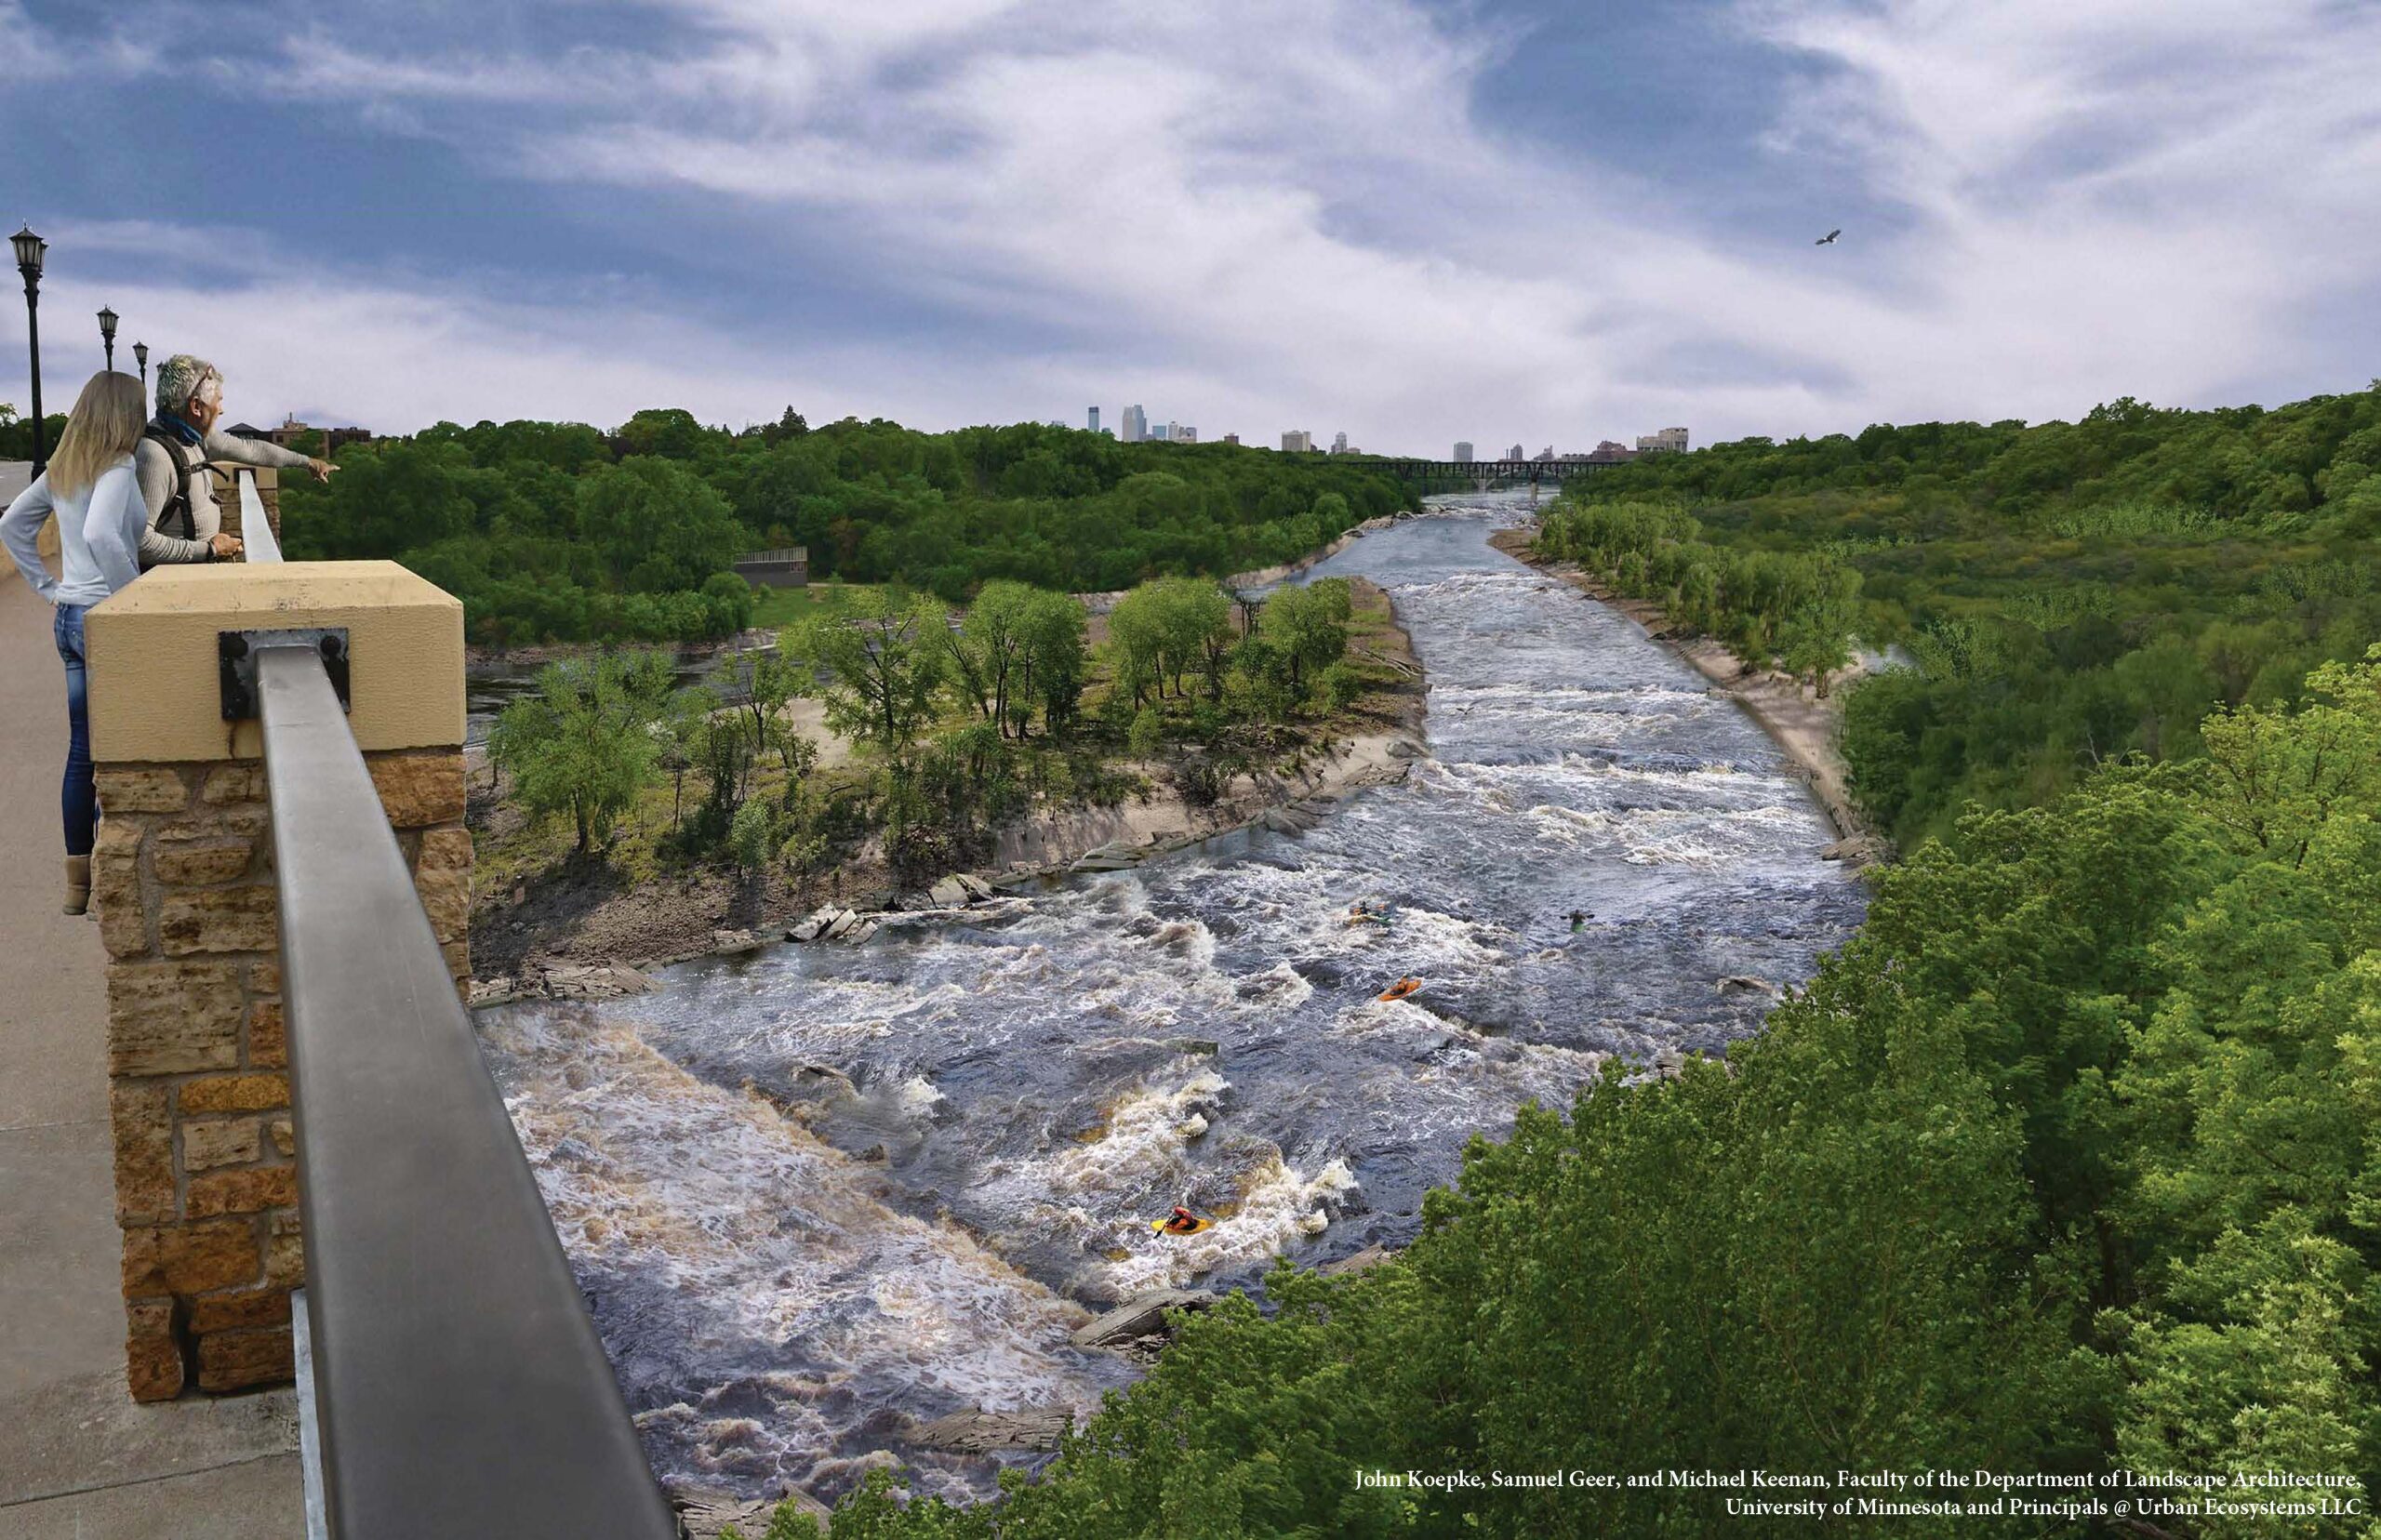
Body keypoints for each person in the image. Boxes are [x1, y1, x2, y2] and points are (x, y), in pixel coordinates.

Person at [1, 372, 155, 913]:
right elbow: (100, 535)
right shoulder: (117, 467)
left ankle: (77, 883)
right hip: (99, 619)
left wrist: (49, 587)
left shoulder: (64, 469)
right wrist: (133, 603)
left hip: (68, 618)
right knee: (116, 748)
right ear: (124, 416)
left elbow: (15, 524)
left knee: (83, 749)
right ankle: (111, 875)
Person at [134, 353, 336, 566]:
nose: (221, 409)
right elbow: (140, 544)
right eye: (218, 400)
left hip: (195, 577)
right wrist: (209, 549)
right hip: (170, 588)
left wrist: (308, 462)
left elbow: (253, 450)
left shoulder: (198, 438)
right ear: (196, 406)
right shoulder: (154, 455)